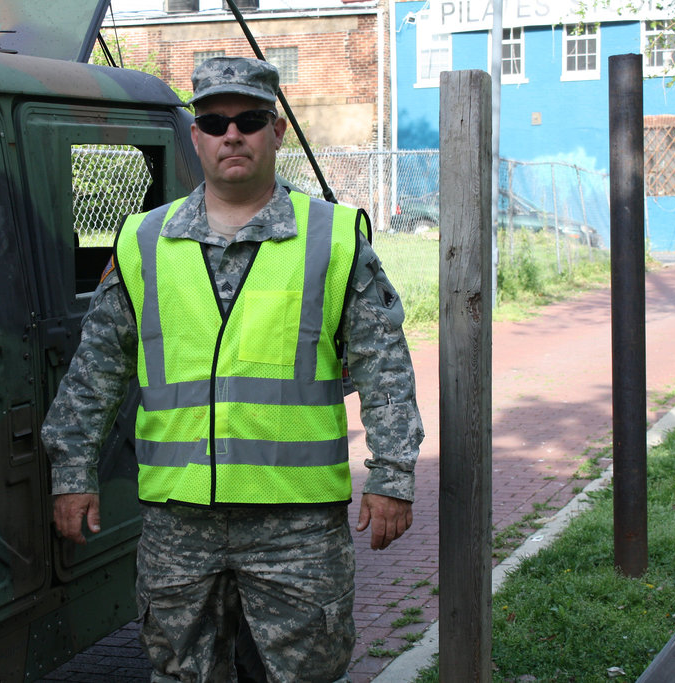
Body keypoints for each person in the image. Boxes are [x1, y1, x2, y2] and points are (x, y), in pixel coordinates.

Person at [41, 56, 423, 683]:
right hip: (178, 526)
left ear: (277, 132)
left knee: (308, 674)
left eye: (249, 119)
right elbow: (96, 371)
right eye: (214, 122)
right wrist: (72, 472)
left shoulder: (331, 237)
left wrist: (393, 475)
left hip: (296, 527)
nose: (231, 135)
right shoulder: (143, 242)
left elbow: (385, 368)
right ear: (196, 136)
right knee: (181, 673)